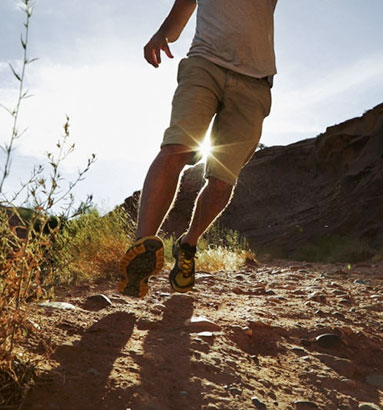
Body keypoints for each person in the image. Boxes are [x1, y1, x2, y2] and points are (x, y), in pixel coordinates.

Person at [118, 0, 277, 297]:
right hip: (204, 65)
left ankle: (188, 245)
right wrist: (161, 34)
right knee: (176, 147)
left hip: (255, 84)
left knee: (222, 181)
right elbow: (182, 11)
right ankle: (142, 249)